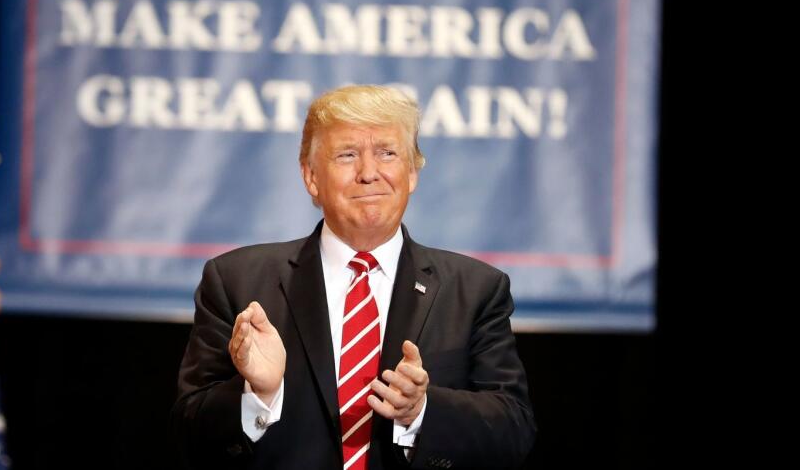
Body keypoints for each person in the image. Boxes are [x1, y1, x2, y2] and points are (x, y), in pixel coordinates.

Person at [171, 85, 535, 469]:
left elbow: (514, 431)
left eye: (387, 153)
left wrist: (422, 411)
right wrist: (257, 395)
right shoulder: (237, 283)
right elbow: (185, 434)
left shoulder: (476, 290)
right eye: (347, 155)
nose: (368, 173)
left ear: (411, 172)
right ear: (311, 176)